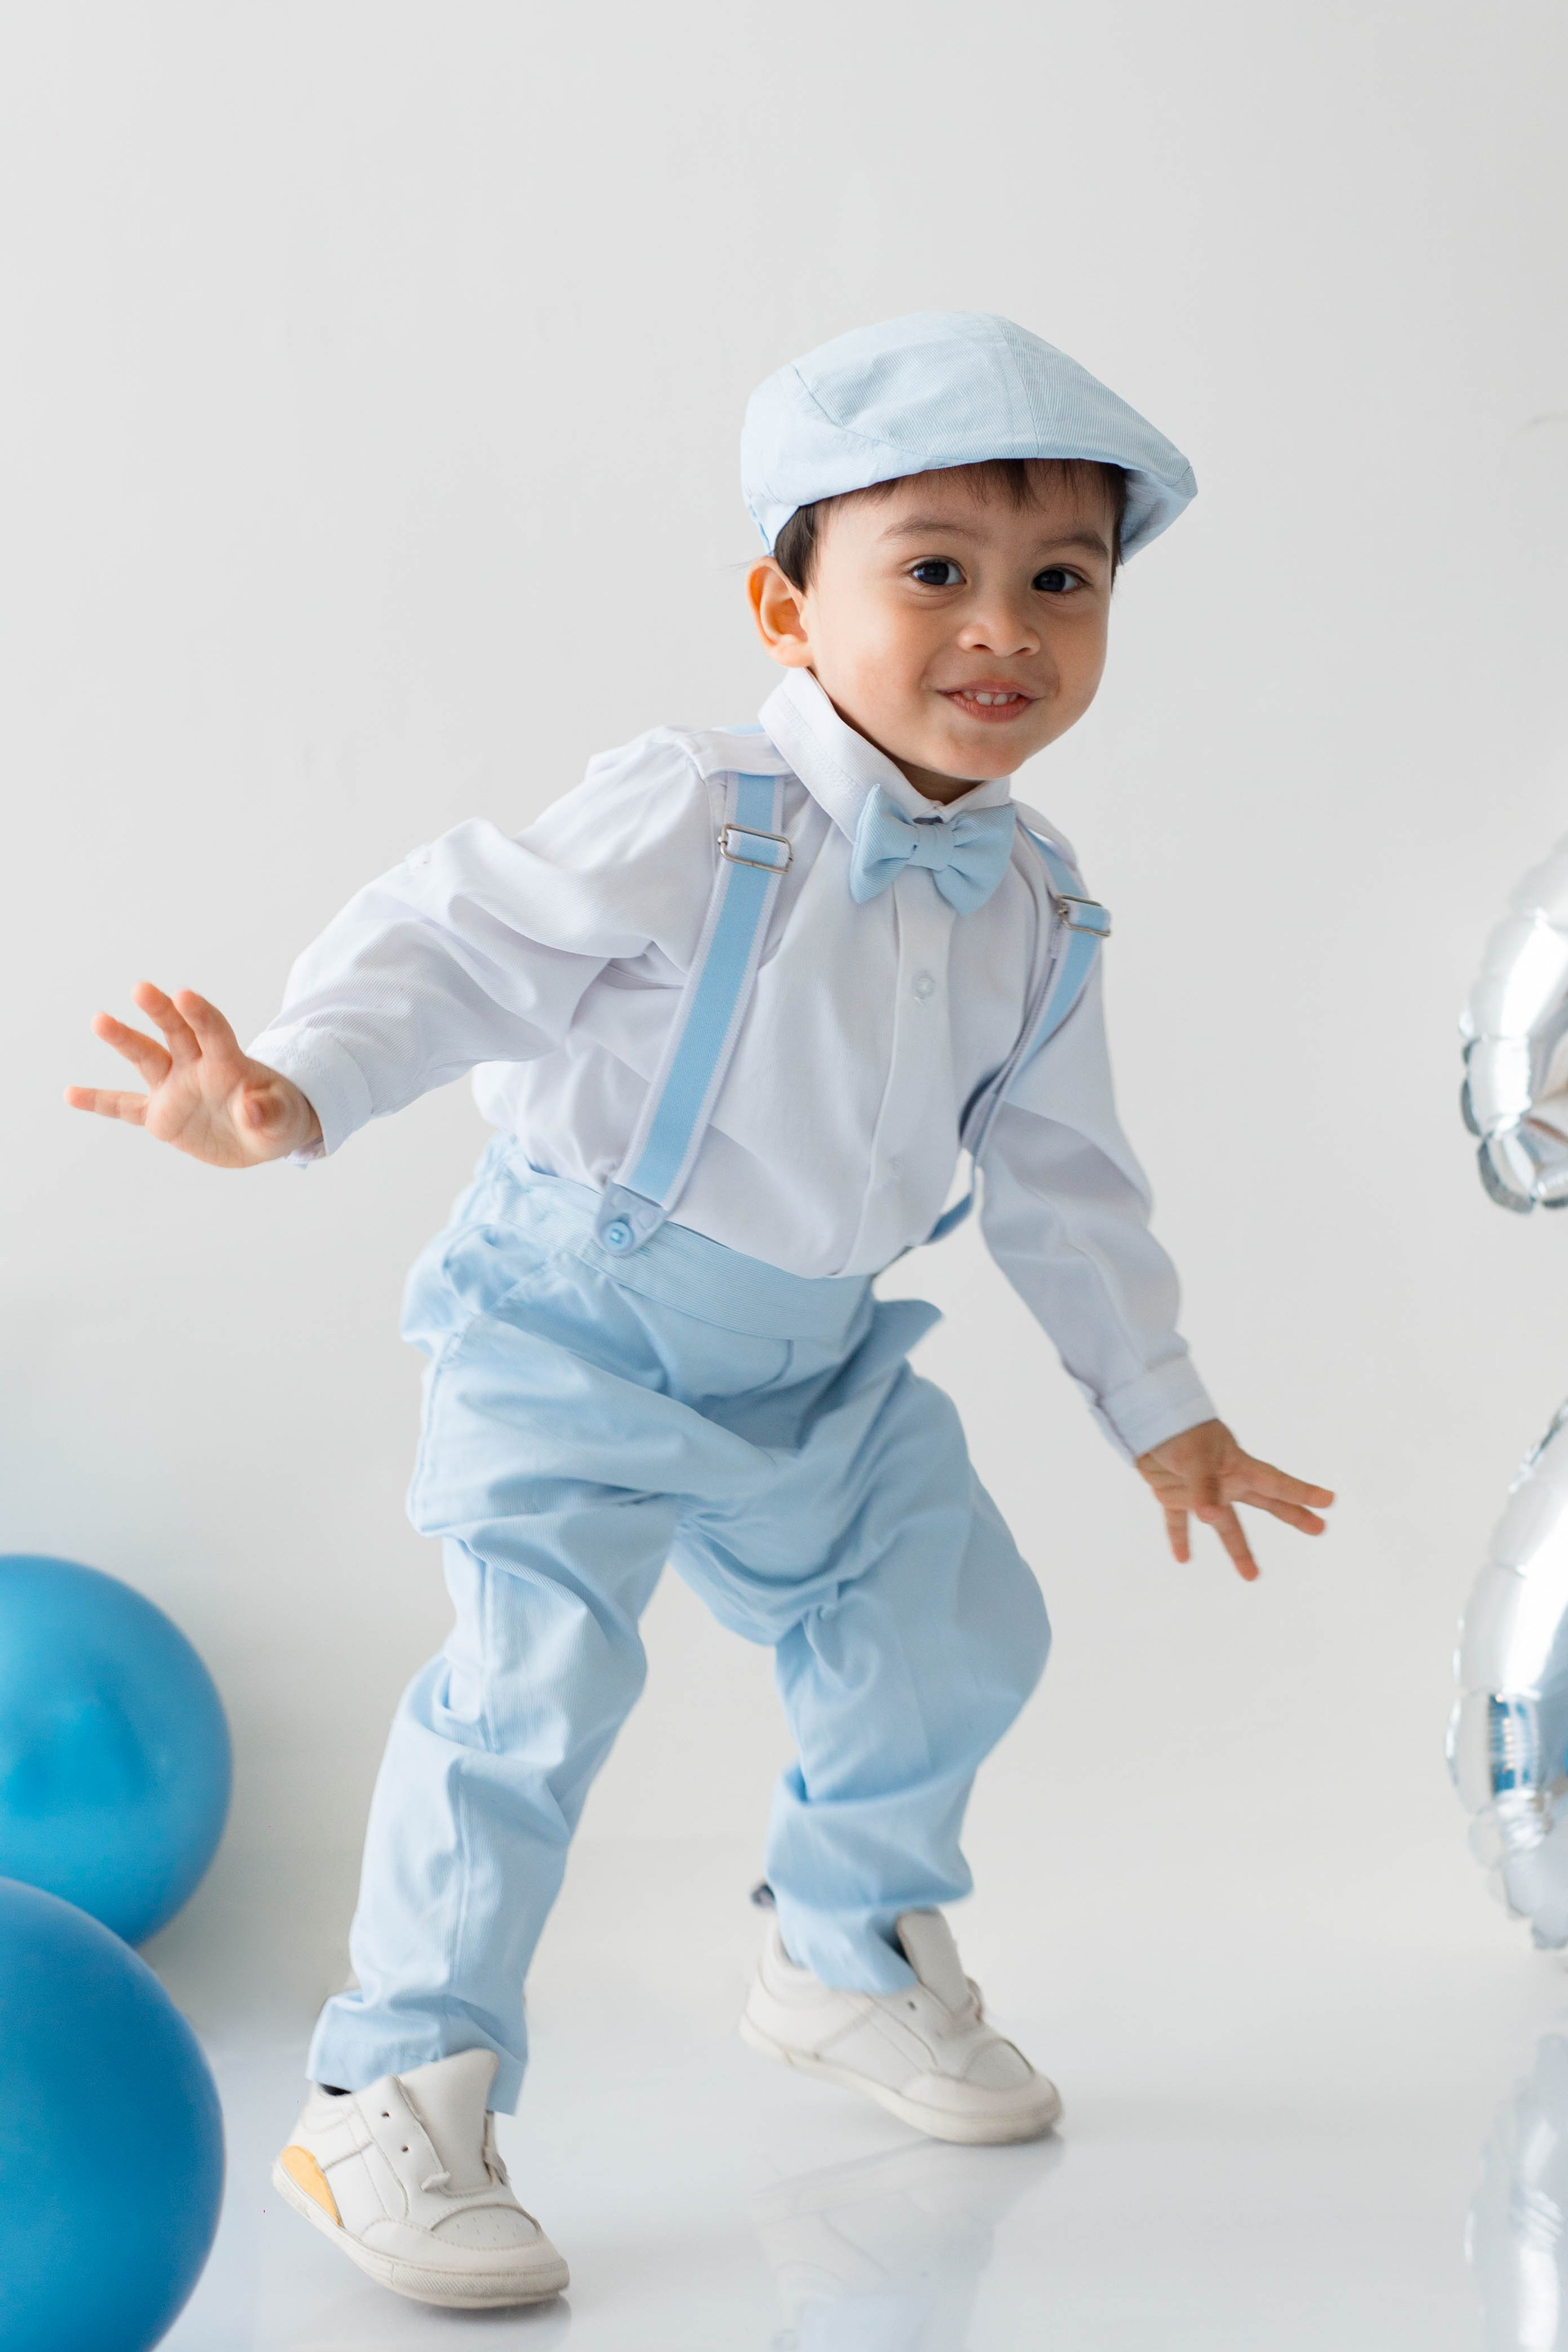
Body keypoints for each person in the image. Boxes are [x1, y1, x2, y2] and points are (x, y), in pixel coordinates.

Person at [67, 311, 1333, 2311]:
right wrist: (293, 1084)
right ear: (784, 599)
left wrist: (1158, 1404)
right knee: (532, 1694)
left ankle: (842, 1950)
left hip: (823, 1366)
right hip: (572, 1329)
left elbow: (1066, 1183)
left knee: (957, 1624)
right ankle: (389, 2091)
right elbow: (460, 935)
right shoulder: (700, 806)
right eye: (935, 570)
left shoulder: (1039, 908)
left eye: (1061, 582)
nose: (1004, 626)